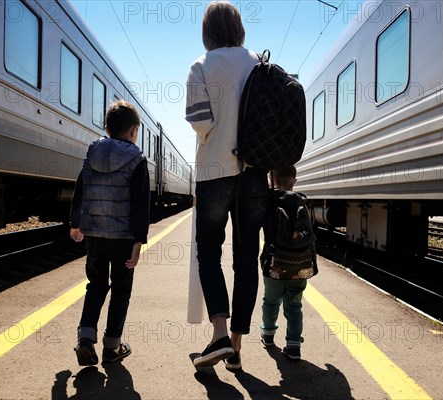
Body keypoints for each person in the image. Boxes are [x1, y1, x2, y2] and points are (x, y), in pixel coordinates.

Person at [185, 1, 268, 371]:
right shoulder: (258, 64)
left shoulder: (201, 66)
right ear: (238, 28)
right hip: (253, 174)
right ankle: (235, 347)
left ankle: (219, 331)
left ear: (208, 31)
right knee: (246, 259)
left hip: (214, 173)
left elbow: (201, 123)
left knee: (209, 254)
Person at [69, 100, 150, 366]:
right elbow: (140, 203)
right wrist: (139, 240)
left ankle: (85, 339)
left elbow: (81, 187)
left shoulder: (92, 151)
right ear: (134, 130)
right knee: (121, 290)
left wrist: (75, 223)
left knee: (96, 285)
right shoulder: (137, 159)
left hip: (95, 235)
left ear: (107, 128)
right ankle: (112, 347)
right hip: (123, 237)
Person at [260, 166, 316, 361]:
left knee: (271, 301)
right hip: (301, 265)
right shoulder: (302, 201)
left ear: (270, 181)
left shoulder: (269, 201)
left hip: (275, 264)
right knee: (294, 305)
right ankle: (293, 345)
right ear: (294, 180)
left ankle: (267, 334)